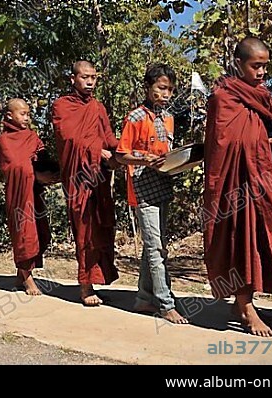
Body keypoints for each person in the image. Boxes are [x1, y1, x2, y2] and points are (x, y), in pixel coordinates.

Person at [203, 37, 272, 337]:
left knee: (257, 239)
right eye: (256, 66)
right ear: (238, 63)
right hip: (234, 184)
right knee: (241, 237)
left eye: (265, 66)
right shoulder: (222, 96)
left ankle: (242, 304)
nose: (262, 72)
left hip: (258, 179)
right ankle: (245, 306)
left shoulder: (260, 94)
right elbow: (223, 143)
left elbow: (258, 128)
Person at [115, 64, 189, 324]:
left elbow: (166, 151)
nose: (165, 94)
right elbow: (121, 154)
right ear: (148, 87)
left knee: (153, 246)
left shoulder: (168, 117)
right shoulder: (135, 117)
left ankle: (144, 298)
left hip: (163, 183)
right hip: (142, 185)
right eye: (160, 88)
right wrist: (144, 159)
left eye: (169, 89)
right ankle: (165, 303)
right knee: (156, 247)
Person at [52, 60, 120, 306]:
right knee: (84, 231)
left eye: (93, 77)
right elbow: (69, 138)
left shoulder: (98, 107)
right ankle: (85, 287)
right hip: (79, 179)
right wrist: (99, 151)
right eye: (85, 77)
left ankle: (97, 279)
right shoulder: (62, 106)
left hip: (99, 178)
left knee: (101, 228)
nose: (90, 82)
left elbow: (109, 137)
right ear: (73, 79)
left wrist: (125, 151)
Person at [0, 98, 55, 295]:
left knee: (38, 232)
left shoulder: (32, 136)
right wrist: (35, 173)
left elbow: (40, 155)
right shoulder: (4, 140)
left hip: (34, 192)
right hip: (18, 193)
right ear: (9, 116)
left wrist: (49, 169)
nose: (27, 118)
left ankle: (20, 276)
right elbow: (13, 166)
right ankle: (28, 279)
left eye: (28, 114)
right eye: (22, 114)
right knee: (23, 232)